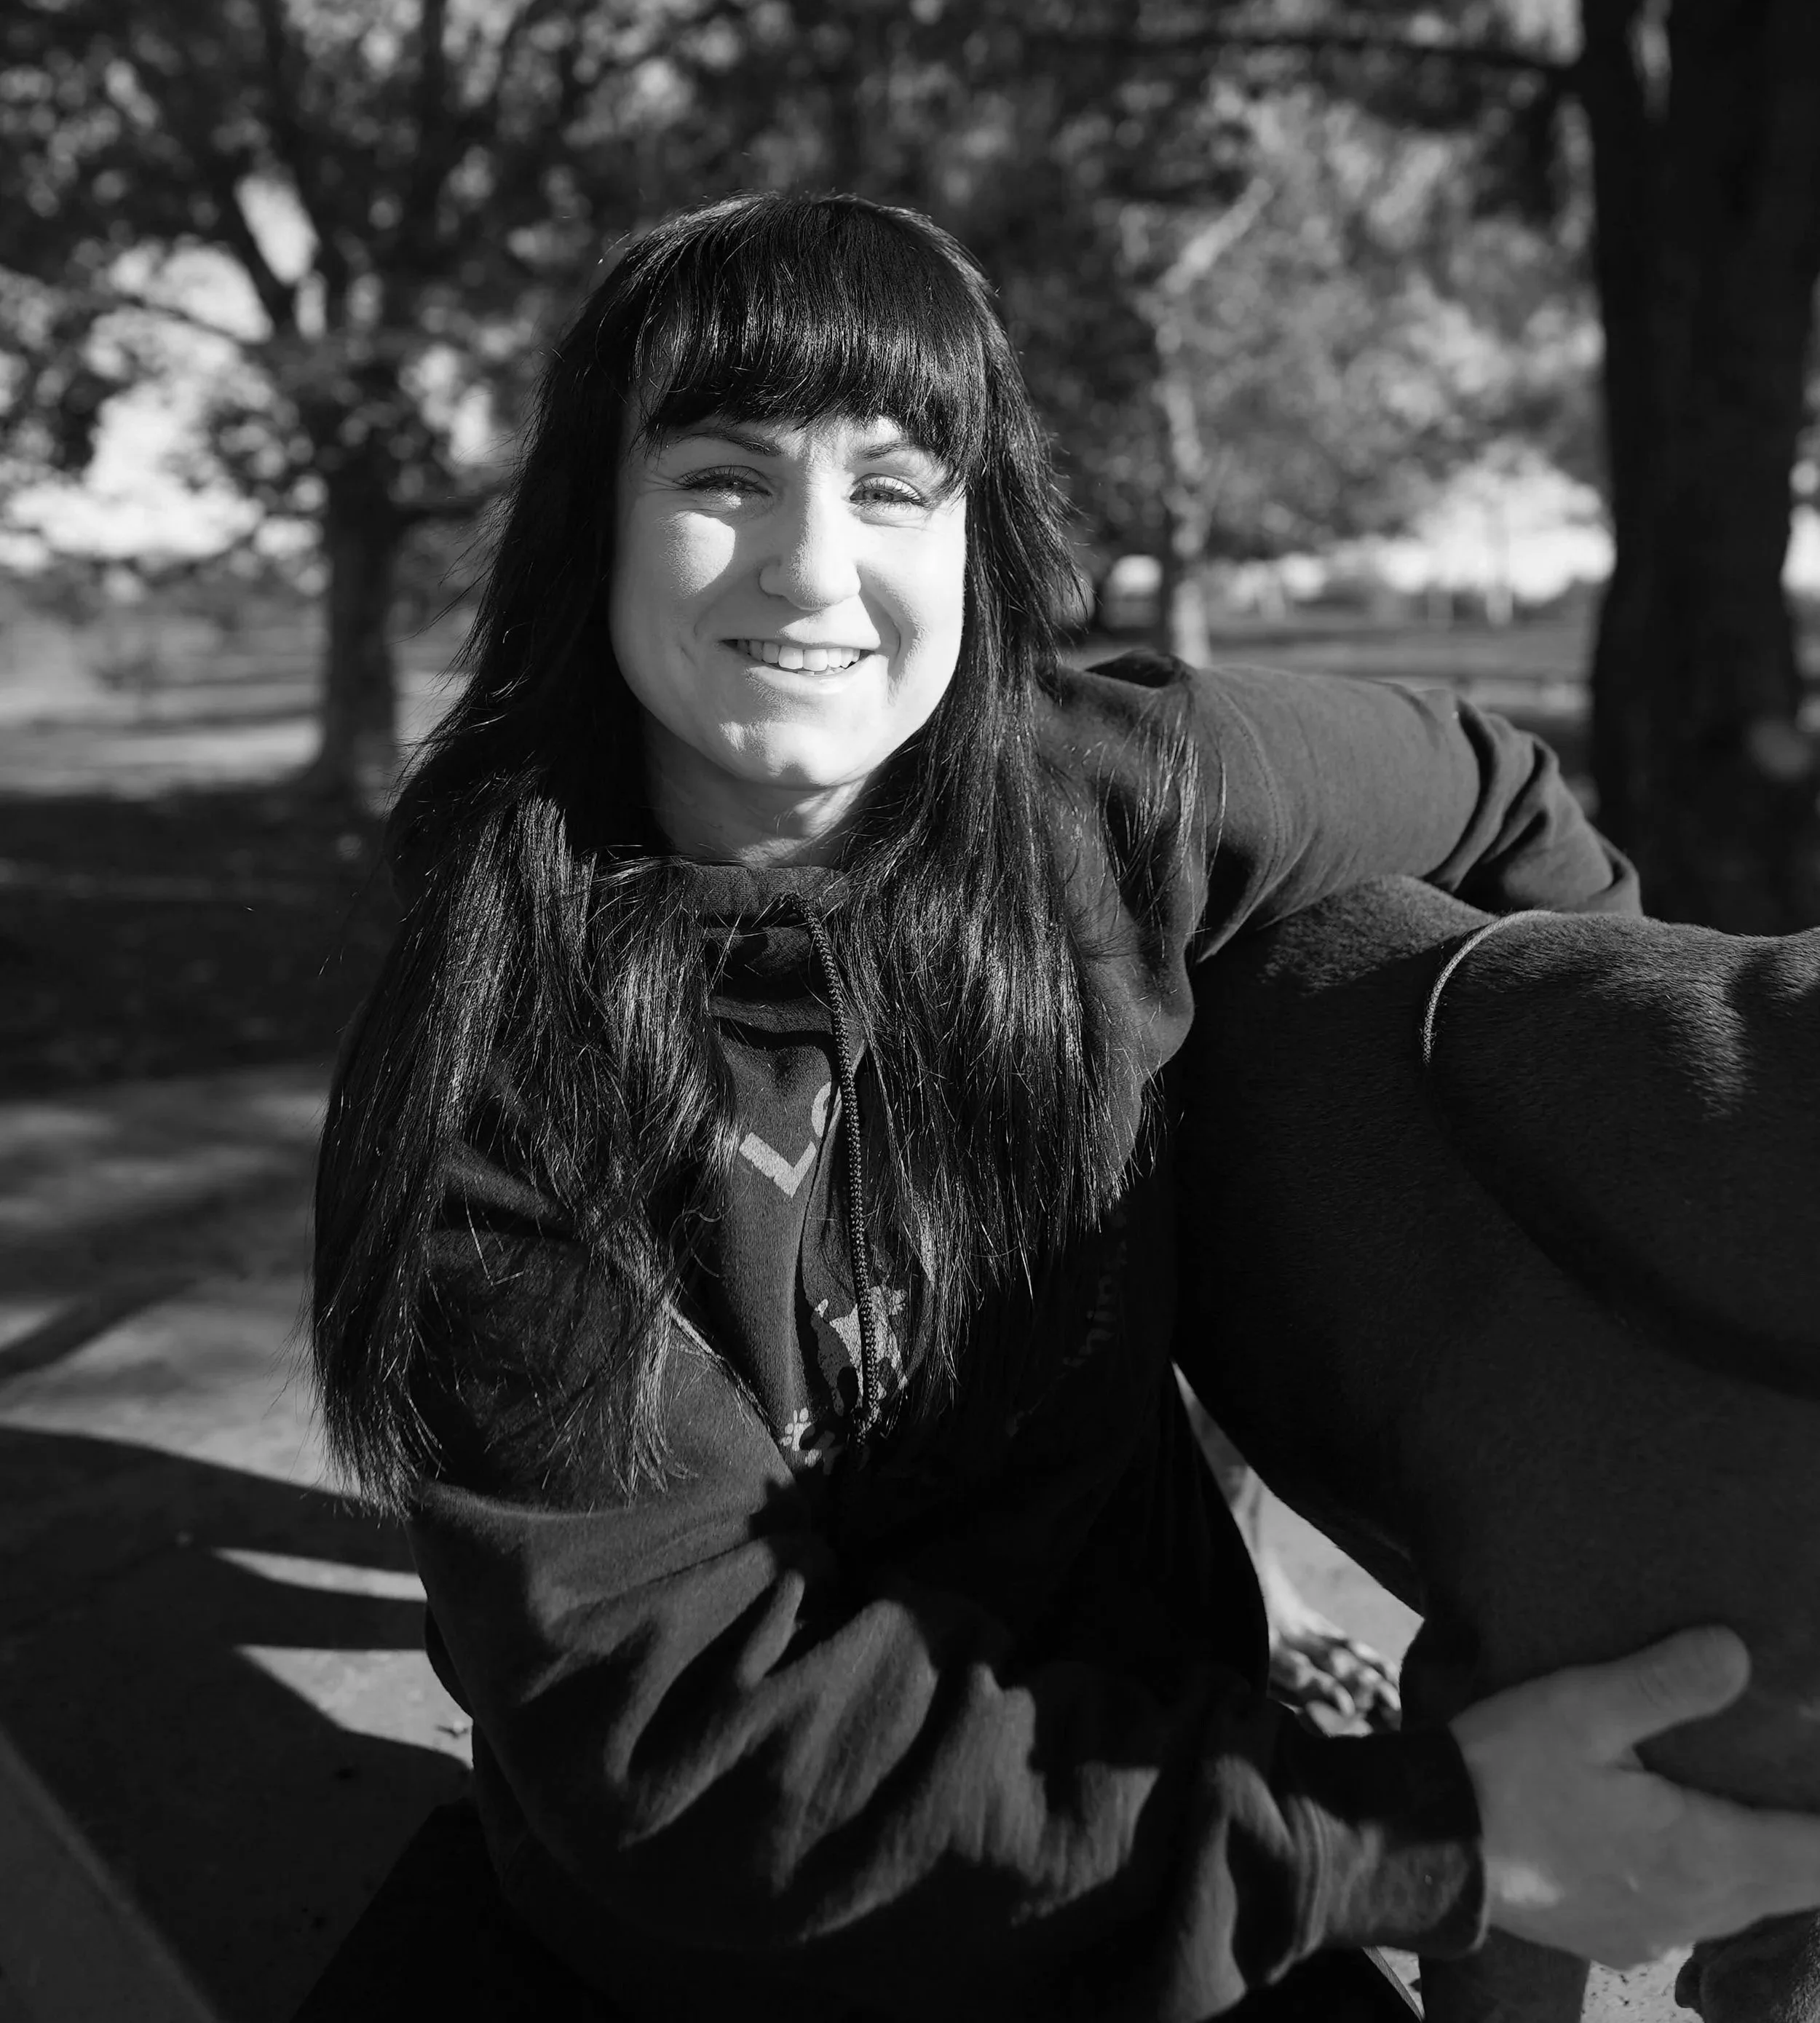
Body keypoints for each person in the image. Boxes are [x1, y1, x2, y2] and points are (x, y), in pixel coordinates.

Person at [312, 189, 1820, 2023]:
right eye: (721, 475)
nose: (809, 565)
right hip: (746, 1930)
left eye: (891, 487)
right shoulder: (502, 1053)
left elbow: (1494, 789)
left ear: (977, 538)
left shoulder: (1102, 793)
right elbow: (694, 1757)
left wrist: (1584, 1170)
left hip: (1169, 1810)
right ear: (593, 529)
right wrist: (1434, 1838)